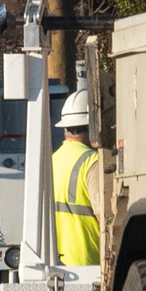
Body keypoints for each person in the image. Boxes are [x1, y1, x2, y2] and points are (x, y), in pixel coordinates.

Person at [52, 91, 101, 267]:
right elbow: (104, 218)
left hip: (57, 262)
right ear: (94, 126)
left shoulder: (52, 161)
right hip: (90, 263)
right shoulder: (92, 162)